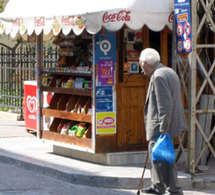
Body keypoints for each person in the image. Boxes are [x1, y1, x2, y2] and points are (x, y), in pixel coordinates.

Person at [139, 48, 187, 195]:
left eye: (141, 65)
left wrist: (163, 128)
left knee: (164, 159)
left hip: (160, 125)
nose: (142, 69)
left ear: (147, 63)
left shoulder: (158, 76)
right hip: (169, 123)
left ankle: (174, 189)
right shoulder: (169, 71)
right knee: (159, 157)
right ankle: (157, 186)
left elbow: (164, 104)